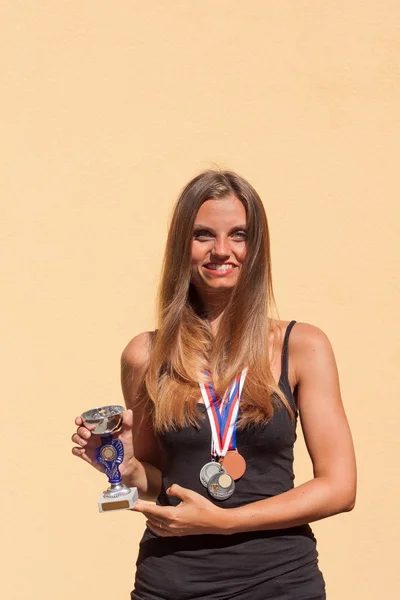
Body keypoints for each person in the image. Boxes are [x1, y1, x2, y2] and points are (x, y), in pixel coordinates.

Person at [72, 169, 357, 600]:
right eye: (203, 234)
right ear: (180, 247)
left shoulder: (302, 346)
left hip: (279, 582)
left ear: (255, 247)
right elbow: (156, 479)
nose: (221, 250)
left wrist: (227, 520)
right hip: (171, 581)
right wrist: (125, 466)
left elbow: (340, 486)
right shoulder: (145, 355)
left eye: (238, 235)